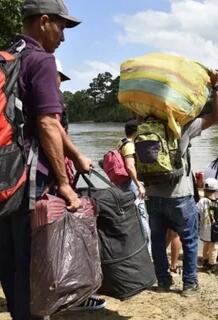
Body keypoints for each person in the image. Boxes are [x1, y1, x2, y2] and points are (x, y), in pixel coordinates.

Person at [0, 1, 92, 319]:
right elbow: (48, 122)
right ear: (43, 22)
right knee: (32, 267)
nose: (63, 37)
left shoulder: (7, 58)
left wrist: (76, 154)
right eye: (61, 27)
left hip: (3, 179)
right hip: (28, 184)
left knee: (9, 265)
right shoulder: (41, 60)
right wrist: (65, 185)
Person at [145, 70, 218, 297]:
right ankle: (189, 283)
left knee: (158, 242)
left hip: (153, 194)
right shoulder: (183, 125)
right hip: (179, 195)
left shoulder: (144, 123)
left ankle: (163, 281)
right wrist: (216, 86)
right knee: (189, 240)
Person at [55, 61, 106, 312]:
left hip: (35, 178)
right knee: (72, 233)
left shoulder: (22, 95)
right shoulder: (52, 101)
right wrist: (75, 159)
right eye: (59, 78)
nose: (60, 83)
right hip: (56, 177)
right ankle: (74, 294)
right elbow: (55, 131)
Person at [117, 120, 151, 252]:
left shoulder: (121, 142)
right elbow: (130, 166)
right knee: (142, 216)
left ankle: (133, 246)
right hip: (131, 184)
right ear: (137, 131)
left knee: (131, 215)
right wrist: (139, 186)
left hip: (122, 184)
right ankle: (147, 250)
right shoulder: (130, 145)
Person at [198, 178, 218, 273]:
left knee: (205, 244)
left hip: (204, 229)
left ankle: (205, 259)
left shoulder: (201, 202)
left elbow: (197, 214)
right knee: (214, 247)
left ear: (204, 190)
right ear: (216, 190)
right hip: (215, 229)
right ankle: (211, 264)